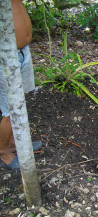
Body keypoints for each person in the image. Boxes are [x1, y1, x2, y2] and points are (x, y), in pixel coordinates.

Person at [0, 0, 43, 171]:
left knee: (22, 99)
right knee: (9, 111)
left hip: (22, 51)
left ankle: (14, 143)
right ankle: (3, 152)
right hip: (6, 54)